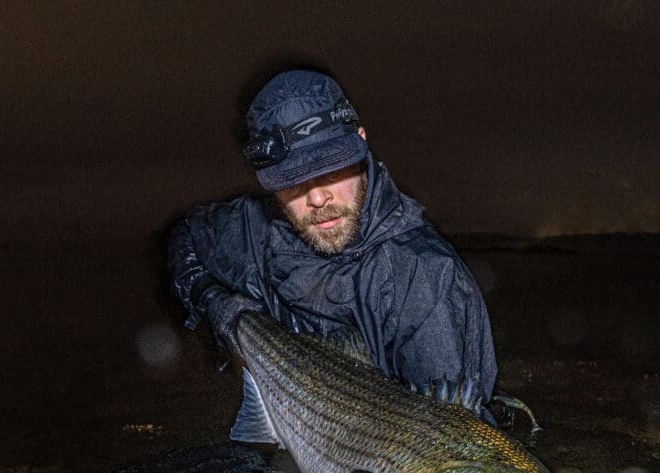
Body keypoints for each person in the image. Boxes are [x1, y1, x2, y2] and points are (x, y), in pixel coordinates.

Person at [166, 69, 497, 414]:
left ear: (361, 141)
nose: (319, 198)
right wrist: (211, 298)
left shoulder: (423, 279)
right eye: (293, 182)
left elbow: (447, 438)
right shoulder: (256, 228)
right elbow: (185, 234)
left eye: (332, 169)